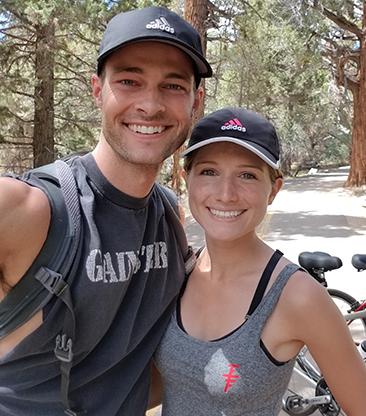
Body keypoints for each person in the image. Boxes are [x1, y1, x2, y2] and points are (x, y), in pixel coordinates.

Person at [0, 6, 212, 415]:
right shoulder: (32, 208)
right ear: (98, 90)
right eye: (129, 81)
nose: (150, 106)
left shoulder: (170, 216)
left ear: (195, 101)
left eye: (172, 86)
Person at [153, 107, 366, 416]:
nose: (226, 193)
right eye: (209, 171)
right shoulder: (179, 271)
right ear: (187, 180)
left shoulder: (298, 296)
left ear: (273, 189)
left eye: (247, 175)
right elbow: (169, 385)